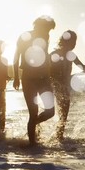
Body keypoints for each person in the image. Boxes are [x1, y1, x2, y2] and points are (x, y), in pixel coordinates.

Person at [13, 16, 56, 145]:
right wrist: (16, 77)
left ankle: (33, 125)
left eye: (49, 30)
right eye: (47, 29)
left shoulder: (46, 37)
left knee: (50, 112)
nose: (48, 33)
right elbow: (16, 56)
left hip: (44, 79)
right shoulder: (24, 37)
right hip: (29, 78)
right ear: (38, 25)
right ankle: (33, 145)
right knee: (33, 113)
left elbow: (45, 57)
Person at [50, 30, 85, 141]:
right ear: (67, 41)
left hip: (65, 88)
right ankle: (38, 131)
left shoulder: (71, 55)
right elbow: (48, 71)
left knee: (64, 115)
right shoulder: (55, 54)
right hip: (55, 86)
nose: (74, 44)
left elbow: (83, 68)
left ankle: (59, 137)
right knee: (52, 112)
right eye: (73, 41)